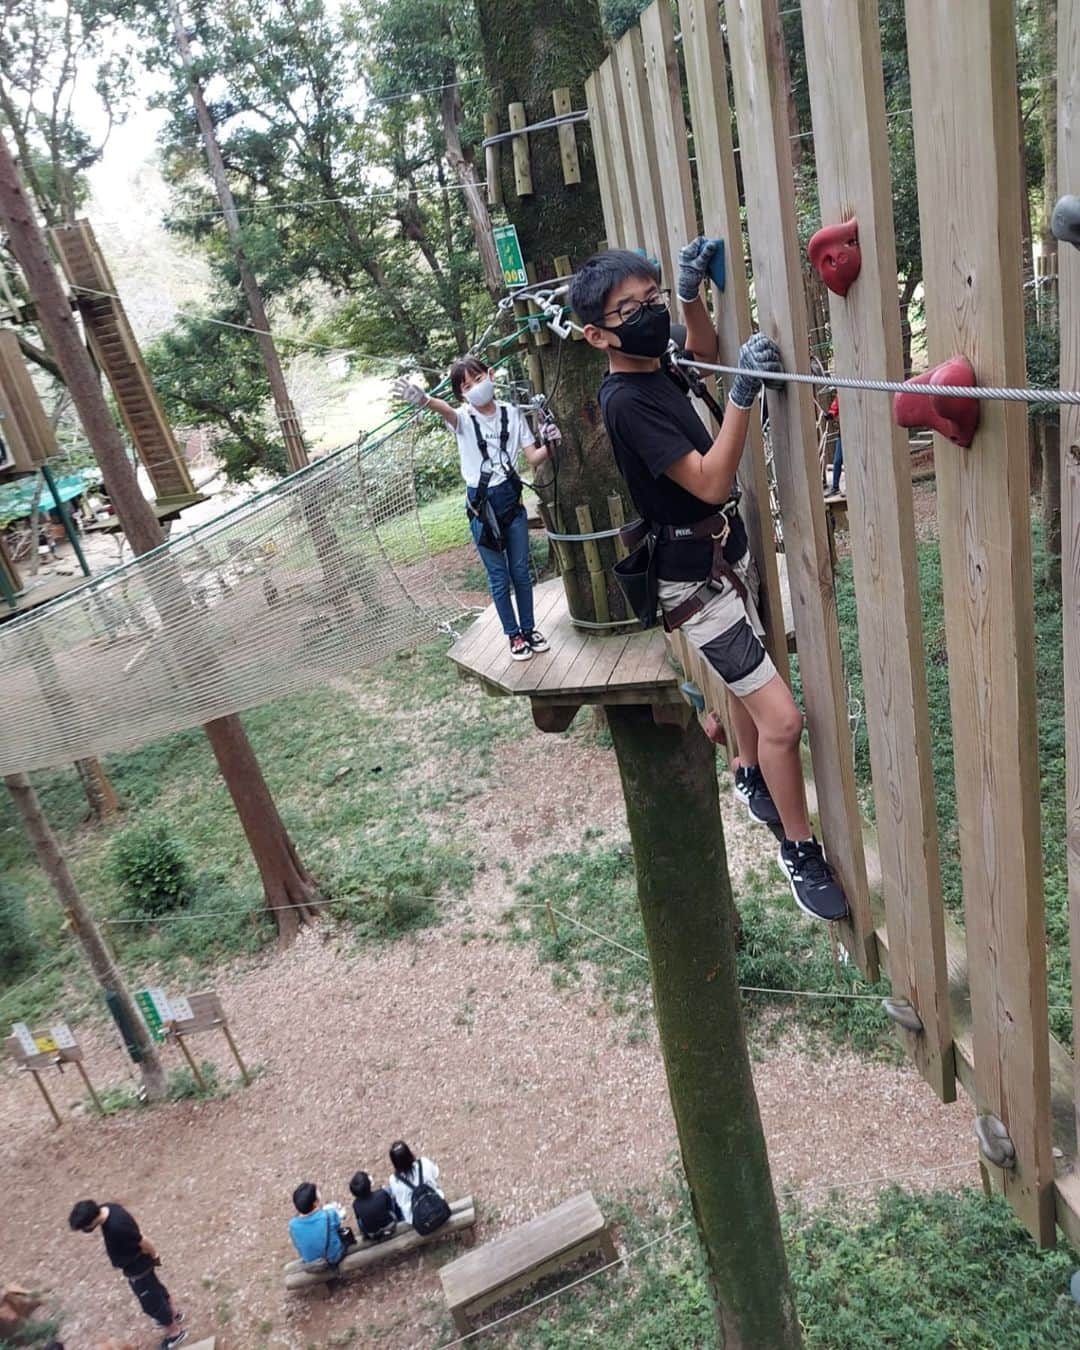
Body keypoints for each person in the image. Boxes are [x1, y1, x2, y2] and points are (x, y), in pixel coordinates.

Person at [569, 242, 849, 923]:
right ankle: (798, 847)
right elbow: (710, 479)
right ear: (597, 334)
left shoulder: (653, 361)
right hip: (695, 584)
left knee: (754, 694)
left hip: (725, 552)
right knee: (783, 720)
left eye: (653, 298)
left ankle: (749, 772)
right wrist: (744, 397)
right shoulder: (626, 402)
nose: (650, 314)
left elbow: (697, 345)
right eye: (629, 309)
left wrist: (690, 295)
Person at [392, 361, 550, 662]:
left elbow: (534, 457)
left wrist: (552, 443)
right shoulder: (463, 419)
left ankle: (529, 629)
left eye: (478, 379)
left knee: (520, 571)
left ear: (490, 375)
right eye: (466, 386)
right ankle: (513, 635)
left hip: (511, 503)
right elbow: (445, 410)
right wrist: (424, 400)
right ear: (462, 395)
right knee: (499, 576)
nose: (475, 387)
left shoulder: (511, 414)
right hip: (482, 509)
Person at [68, 1199, 186, 1350]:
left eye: (84, 1227)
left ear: (91, 1221)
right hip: (140, 1264)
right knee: (157, 1289)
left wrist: (155, 1255)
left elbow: (142, 1240)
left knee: (152, 1304)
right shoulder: (108, 1208)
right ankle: (174, 1314)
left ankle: (175, 1333)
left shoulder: (116, 1227)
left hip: (138, 1269)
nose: (85, 1229)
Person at [287, 1183, 352, 1269]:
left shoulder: (292, 1225)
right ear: (315, 1203)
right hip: (334, 1257)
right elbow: (337, 1225)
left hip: (311, 1262)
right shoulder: (329, 1214)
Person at [386, 1141, 444, 1228]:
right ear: (409, 1153)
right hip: (437, 1206)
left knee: (391, 1196)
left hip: (415, 1219)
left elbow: (399, 1201)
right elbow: (436, 1173)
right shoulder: (424, 1162)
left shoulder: (394, 1180)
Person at [349, 1170, 400, 1242]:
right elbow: (391, 1208)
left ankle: (364, 1234)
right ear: (369, 1184)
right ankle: (400, 1219)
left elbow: (359, 1219)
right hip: (390, 1226)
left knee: (360, 1219)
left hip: (373, 1234)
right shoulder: (382, 1193)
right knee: (389, 1192)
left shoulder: (355, 1204)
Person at [826, 394, 843, 494]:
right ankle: (835, 487)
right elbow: (834, 407)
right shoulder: (840, 395)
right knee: (837, 461)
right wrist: (830, 415)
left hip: (855, 435)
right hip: (843, 434)